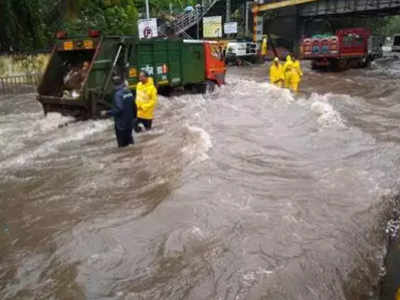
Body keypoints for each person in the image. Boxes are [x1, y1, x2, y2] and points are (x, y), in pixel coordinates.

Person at [101, 74, 134, 147]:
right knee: (130, 143)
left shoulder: (117, 94)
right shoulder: (129, 91)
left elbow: (119, 109)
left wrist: (107, 112)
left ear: (113, 85)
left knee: (122, 147)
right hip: (129, 123)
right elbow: (134, 106)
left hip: (121, 125)